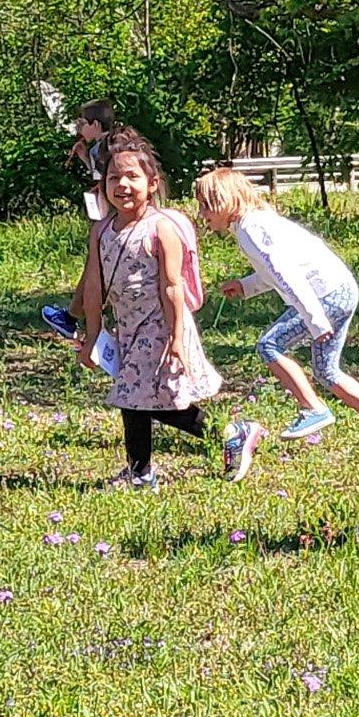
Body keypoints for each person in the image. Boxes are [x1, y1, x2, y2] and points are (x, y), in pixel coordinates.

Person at [76, 133, 264, 486]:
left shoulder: (161, 228)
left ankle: (225, 434)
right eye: (114, 177)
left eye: (133, 177)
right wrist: (92, 334)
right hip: (128, 329)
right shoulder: (101, 231)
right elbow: (94, 286)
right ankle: (142, 469)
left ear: (152, 184)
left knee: (147, 399)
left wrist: (176, 338)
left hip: (161, 327)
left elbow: (172, 285)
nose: (123, 185)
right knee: (137, 397)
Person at [194, 166, 359, 444]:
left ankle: (313, 409)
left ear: (225, 201)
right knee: (326, 370)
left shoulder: (251, 229)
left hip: (325, 295)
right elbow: (274, 273)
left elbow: (287, 274)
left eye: (206, 207)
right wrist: (246, 286)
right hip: (339, 289)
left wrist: (316, 320)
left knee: (268, 345)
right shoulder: (254, 224)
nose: (203, 215)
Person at [46, 99, 121, 339]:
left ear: (95, 125)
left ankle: (79, 322)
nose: (79, 128)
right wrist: (84, 157)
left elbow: (104, 181)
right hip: (114, 217)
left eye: (82, 123)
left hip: (108, 219)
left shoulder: (101, 147)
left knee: (96, 268)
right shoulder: (111, 144)